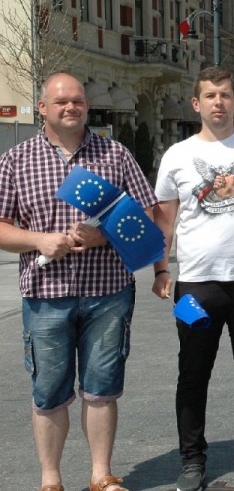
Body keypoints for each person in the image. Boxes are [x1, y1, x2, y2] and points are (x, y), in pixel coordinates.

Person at [0, 73, 157, 491]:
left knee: (102, 387)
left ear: (87, 105)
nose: (71, 107)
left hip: (108, 291)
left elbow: (146, 215)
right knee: (48, 389)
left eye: (78, 101)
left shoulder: (115, 154)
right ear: (43, 108)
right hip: (46, 294)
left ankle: (101, 475)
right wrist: (39, 240)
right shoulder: (16, 160)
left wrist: (103, 235)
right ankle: (50, 480)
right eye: (61, 101)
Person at [152, 67, 234, 491]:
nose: (218, 102)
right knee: (192, 374)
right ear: (197, 104)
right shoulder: (177, 156)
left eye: (225, 95)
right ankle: (192, 461)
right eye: (210, 96)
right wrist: (161, 269)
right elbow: (164, 222)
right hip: (195, 288)